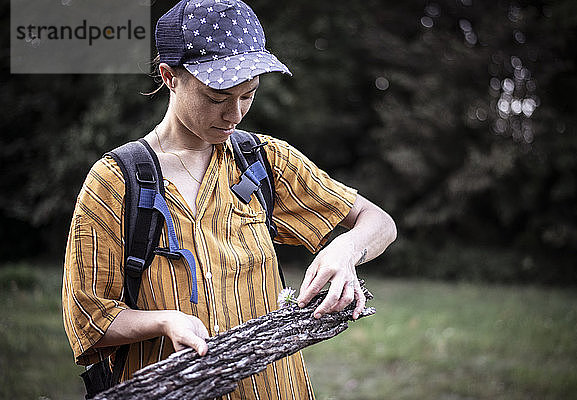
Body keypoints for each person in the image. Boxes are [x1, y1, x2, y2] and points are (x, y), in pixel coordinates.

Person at [62, 0, 397, 398]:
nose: (234, 115)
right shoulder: (117, 180)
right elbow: (87, 317)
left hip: (275, 388)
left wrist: (346, 249)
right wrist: (163, 321)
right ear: (170, 77)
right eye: (217, 98)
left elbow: (379, 222)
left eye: (248, 95)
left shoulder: (265, 160)